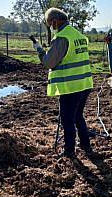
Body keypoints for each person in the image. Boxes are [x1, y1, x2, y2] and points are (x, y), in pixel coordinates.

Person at [32, 7, 94, 158]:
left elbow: (48, 62)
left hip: (71, 86)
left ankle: (69, 151)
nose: (50, 27)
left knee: (67, 119)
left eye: (49, 23)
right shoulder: (77, 34)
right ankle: (86, 144)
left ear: (55, 20)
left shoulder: (62, 37)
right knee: (78, 115)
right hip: (84, 83)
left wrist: (39, 50)